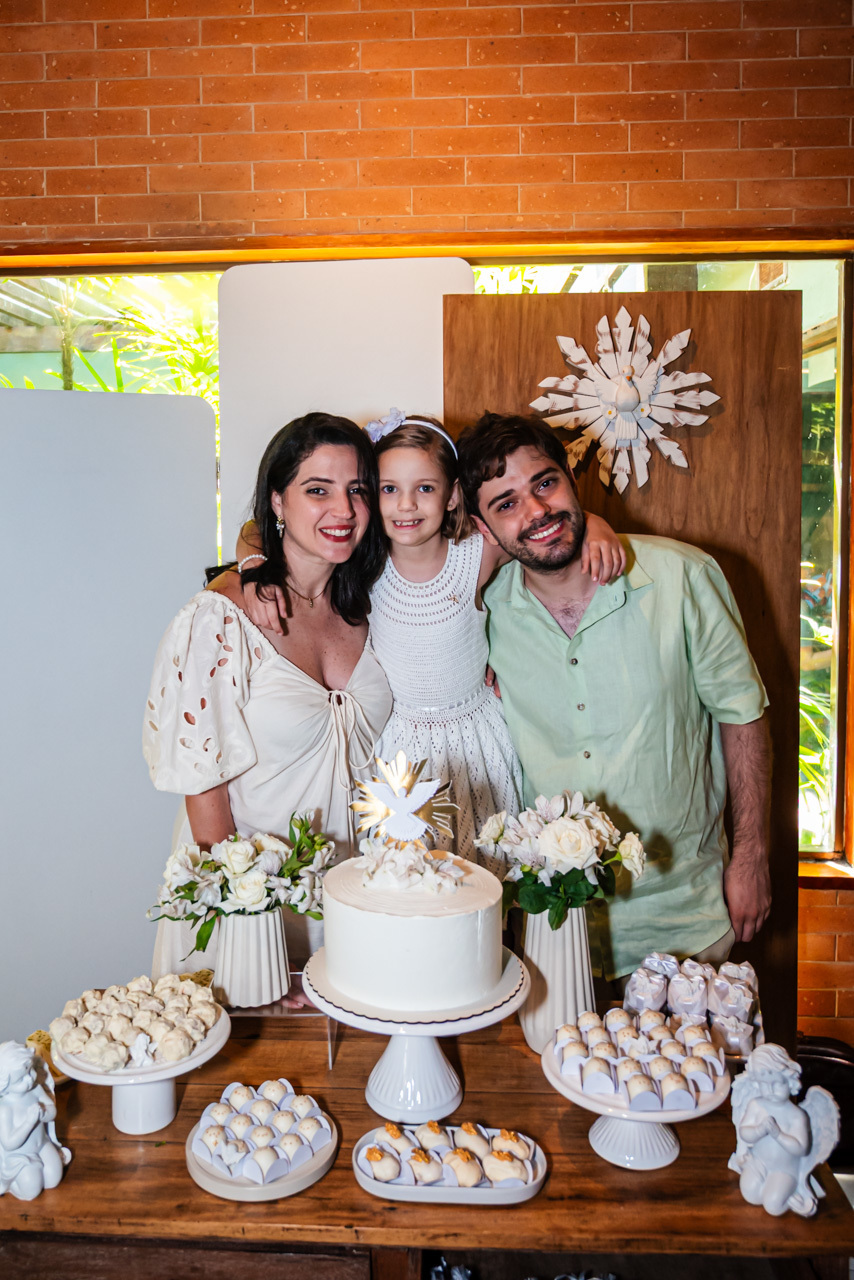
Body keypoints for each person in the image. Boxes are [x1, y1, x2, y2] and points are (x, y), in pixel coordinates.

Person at [457, 411, 771, 982]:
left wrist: (751, 856)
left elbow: (742, 716)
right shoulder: (483, 612)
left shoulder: (683, 577)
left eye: (544, 483)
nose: (537, 512)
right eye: (506, 504)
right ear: (484, 530)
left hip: (686, 922)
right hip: (554, 930)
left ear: (572, 480)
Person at [238, 408, 625, 865]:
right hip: (401, 744)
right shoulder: (361, 564)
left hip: (477, 736)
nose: (406, 505)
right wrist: (250, 565)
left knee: (486, 867)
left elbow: (537, 529)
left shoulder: (477, 553)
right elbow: (255, 531)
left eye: (424, 488)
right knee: (407, 874)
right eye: (388, 490)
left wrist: (596, 523)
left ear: (452, 495)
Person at [143, 413, 393, 979]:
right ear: (277, 502)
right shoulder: (221, 616)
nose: (344, 510)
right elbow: (204, 792)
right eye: (317, 490)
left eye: (357, 490)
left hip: (352, 899)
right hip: (249, 904)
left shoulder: (375, 605)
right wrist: (251, 938)